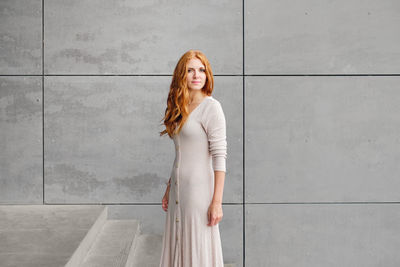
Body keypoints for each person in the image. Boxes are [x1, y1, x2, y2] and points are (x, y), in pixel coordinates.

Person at [158, 49, 227, 267]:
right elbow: (181, 154)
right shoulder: (180, 108)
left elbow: (219, 156)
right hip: (180, 189)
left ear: (207, 75)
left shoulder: (212, 108)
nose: (197, 75)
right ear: (182, 75)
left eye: (201, 70)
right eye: (190, 70)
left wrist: (217, 202)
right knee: (178, 241)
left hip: (199, 193)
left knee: (197, 248)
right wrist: (170, 187)